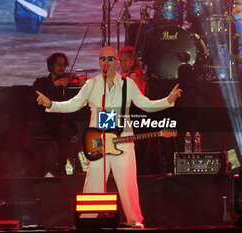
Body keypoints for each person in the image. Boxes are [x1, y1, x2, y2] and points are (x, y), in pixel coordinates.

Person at [36, 46, 182, 227]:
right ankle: (87, 220)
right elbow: (73, 104)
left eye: (109, 59)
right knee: (94, 181)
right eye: (102, 59)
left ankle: (134, 221)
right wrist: (51, 104)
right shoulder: (92, 84)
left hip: (123, 142)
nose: (105, 62)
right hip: (98, 141)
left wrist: (168, 100)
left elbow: (146, 105)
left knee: (128, 184)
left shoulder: (127, 84)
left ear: (116, 62)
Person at [33, 52, 84, 176]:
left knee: (65, 130)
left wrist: (82, 82)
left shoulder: (68, 80)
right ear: (50, 66)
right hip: (46, 121)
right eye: (58, 64)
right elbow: (34, 94)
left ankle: (61, 167)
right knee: (29, 128)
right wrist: (55, 84)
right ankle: (32, 170)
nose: (62, 67)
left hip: (63, 122)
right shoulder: (42, 82)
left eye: (64, 65)